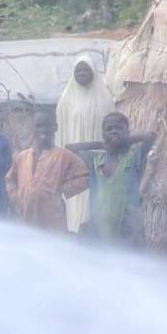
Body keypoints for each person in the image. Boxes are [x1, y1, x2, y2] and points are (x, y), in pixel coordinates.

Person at [67, 112, 155, 247]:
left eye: (119, 128)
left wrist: (125, 140)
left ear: (128, 132)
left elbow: (150, 137)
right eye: (109, 129)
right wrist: (102, 145)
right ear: (103, 135)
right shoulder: (96, 160)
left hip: (128, 230)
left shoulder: (133, 157)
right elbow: (70, 148)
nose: (114, 131)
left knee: (127, 264)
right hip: (100, 230)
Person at [56, 53, 114, 232]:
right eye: (77, 70)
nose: (81, 73)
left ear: (94, 72)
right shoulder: (66, 100)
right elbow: (60, 132)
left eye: (85, 69)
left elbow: (111, 135)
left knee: (93, 202)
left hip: (98, 163)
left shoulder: (105, 99)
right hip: (72, 163)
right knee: (74, 201)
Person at [6, 111, 90, 231]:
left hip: (53, 221)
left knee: (51, 248)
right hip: (26, 220)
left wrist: (63, 189)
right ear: (32, 128)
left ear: (54, 128)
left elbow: (85, 175)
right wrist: (17, 197)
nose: (43, 130)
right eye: (39, 126)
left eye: (47, 125)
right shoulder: (22, 157)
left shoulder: (64, 155)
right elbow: (10, 179)